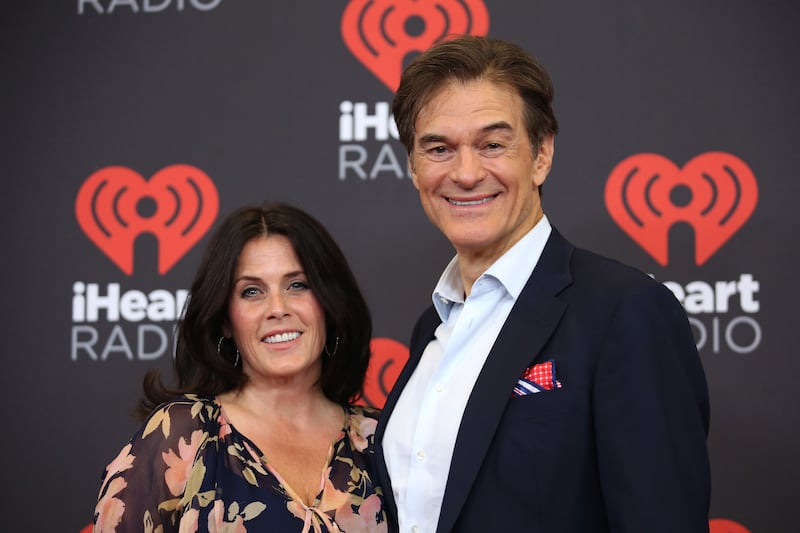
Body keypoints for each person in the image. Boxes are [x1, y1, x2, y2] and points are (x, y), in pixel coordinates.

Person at [376, 36, 711, 532]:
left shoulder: (625, 312)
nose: (466, 173)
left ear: (541, 155)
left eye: (492, 144)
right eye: (439, 148)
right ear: (413, 167)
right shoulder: (433, 326)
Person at [93, 203, 388, 533]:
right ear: (226, 322)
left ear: (329, 304)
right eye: (252, 291)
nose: (277, 308)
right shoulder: (181, 435)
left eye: (297, 285)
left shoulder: (382, 441)